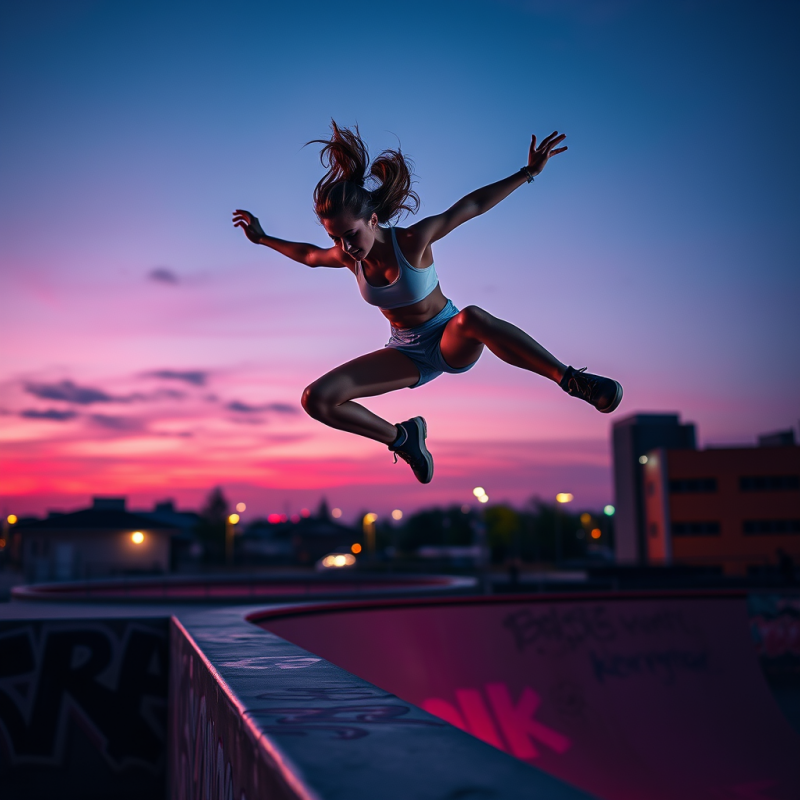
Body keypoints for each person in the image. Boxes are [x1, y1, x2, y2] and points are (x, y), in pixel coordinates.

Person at [233, 122, 622, 484]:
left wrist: (528, 173)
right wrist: (263, 238)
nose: (345, 247)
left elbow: (469, 206)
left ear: (371, 219)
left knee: (473, 317)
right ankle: (403, 438)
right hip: (405, 351)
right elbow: (309, 255)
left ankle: (571, 379)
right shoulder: (347, 257)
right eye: (337, 238)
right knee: (316, 399)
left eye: (350, 234)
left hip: (449, 337)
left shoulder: (413, 241)